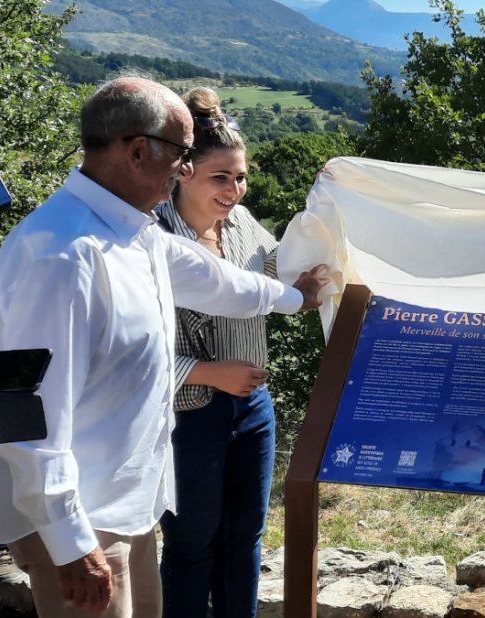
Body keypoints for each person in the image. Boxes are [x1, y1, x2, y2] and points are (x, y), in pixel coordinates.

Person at [0, 76, 329, 618]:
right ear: (135, 150)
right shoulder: (58, 255)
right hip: (80, 529)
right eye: (180, 154)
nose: (183, 169)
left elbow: (218, 281)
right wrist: (69, 542)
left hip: (125, 509)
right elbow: (22, 411)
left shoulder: (134, 230)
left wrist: (294, 298)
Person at [153, 87, 280, 617]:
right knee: (191, 545)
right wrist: (207, 372)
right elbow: (128, 348)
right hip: (186, 415)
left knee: (245, 539)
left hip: (254, 410)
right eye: (221, 177)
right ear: (183, 172)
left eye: (241, 176)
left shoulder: (245, 226)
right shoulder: (152, 235)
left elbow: (279, 281)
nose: (236, 190)